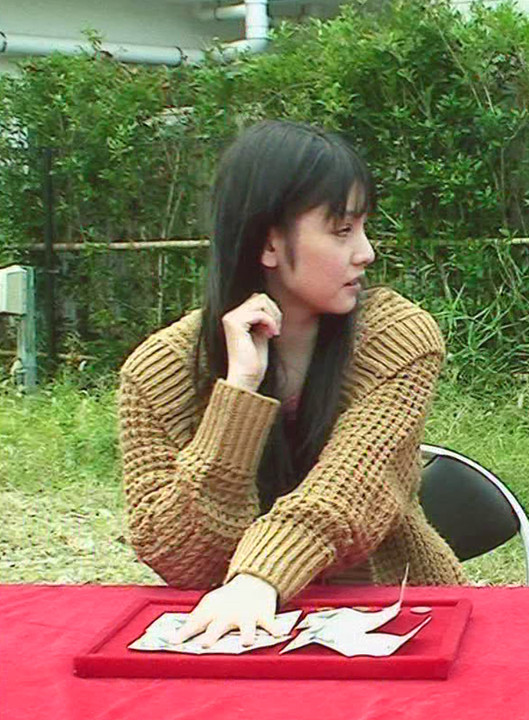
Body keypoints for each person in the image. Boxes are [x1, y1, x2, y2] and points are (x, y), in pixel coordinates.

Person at [117, 120, 465, 648]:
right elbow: (179, 555)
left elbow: (351, 487)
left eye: (364, 227)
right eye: (342, 230)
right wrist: (238, 397)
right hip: (231, 636)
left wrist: (259, 578)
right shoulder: (155, 373)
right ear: (268, 243)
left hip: (398, 619)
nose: (366, 252)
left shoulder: (398, 337)